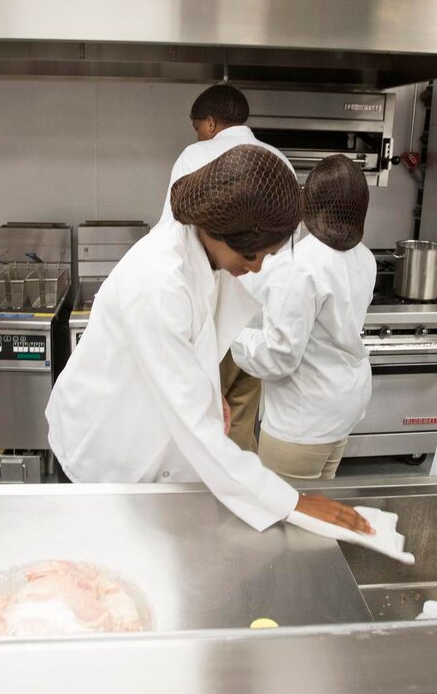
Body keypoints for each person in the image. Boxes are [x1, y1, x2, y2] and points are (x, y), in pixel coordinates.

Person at [46, 145, 372, 536]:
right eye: (252, 254)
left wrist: (207, 386)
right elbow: (194, 425)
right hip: (103, 454)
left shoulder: (206, 251)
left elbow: (199, 338)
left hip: (151, 447)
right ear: (218, 230)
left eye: (268, 256)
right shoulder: (158, 282)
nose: (256, 267)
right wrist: (291, 501)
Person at [158, 83, 294, 454]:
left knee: (200, 425)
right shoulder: (277, 160)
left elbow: (171, 235)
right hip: (258, 319)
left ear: (211, 123)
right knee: (241, 419)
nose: (199, 133)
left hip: (210, 318)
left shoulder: (195, 156)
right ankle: (237, 495)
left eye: (198, 125)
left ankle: (210, 497)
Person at [231, 155, 376, 479]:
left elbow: (278, 356)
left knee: (284, 522)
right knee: (318, 515)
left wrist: (231, 334)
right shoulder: (364, 257)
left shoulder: (301, 264)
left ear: (309, 202)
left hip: (302, 421)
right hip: (343, 407)